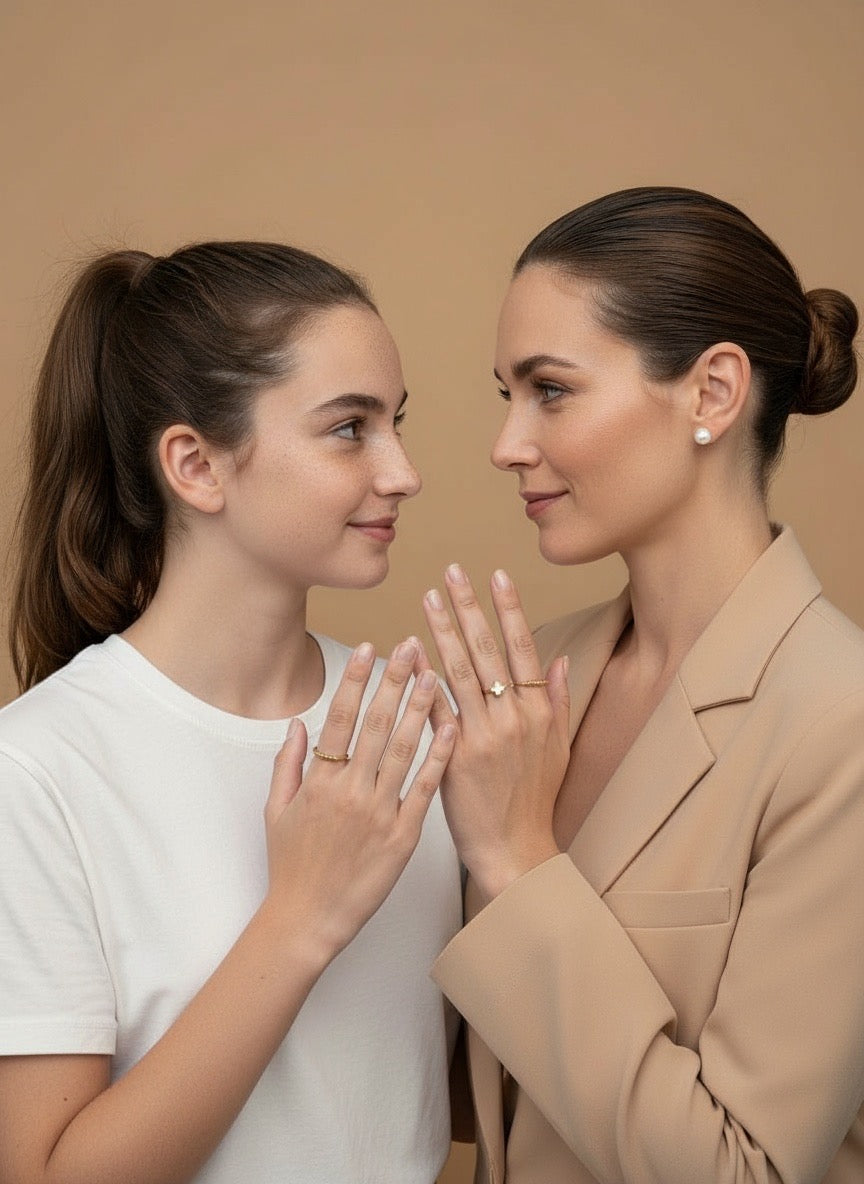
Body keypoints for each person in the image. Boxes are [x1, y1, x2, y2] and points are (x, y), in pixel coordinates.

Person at [420, 187, 864, 1183]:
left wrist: (522, 861)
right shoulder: (537, 675)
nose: (506, 444)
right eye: (507, 394)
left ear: (712, 392)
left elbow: (745, 1168)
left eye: (552, 389)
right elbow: (478, 1087)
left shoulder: (841, 722)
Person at [0, 241, 462, 1184]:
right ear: (197, 465)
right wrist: (300, 918)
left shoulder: (415, 722)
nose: (403, 471)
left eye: (397, 424)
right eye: (349, 429)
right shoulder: (39, 770)